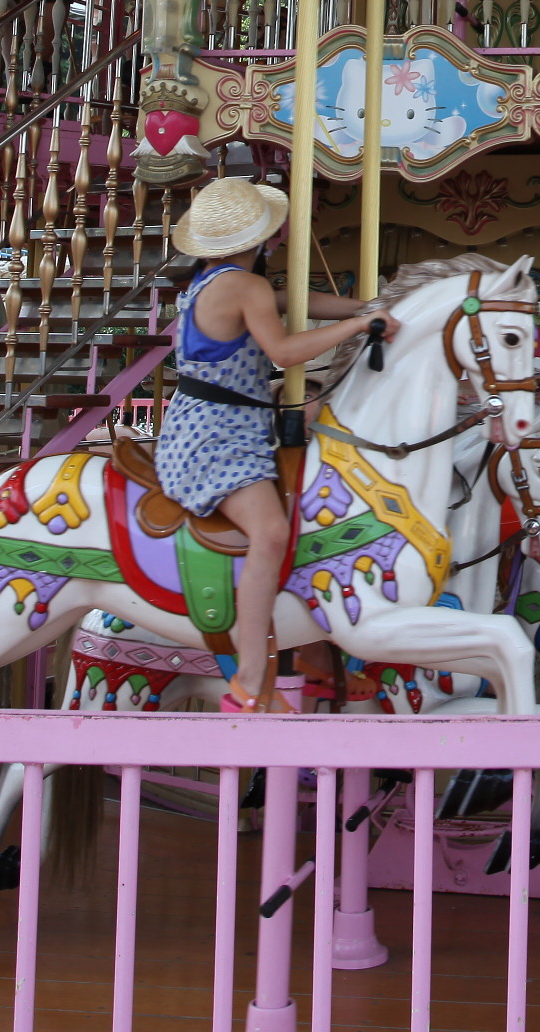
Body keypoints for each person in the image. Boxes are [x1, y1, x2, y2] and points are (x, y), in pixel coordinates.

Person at [158, 177, 400, 711]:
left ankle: (309, 649)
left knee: (309, 513)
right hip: (217, 436)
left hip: (218, 426)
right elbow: (285, 352)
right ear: (262, 238)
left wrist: (368, 306)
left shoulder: (215, 280)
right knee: (270, 533)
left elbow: (297, 302)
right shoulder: (243, 286)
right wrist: (361, 324)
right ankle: (248, 678)